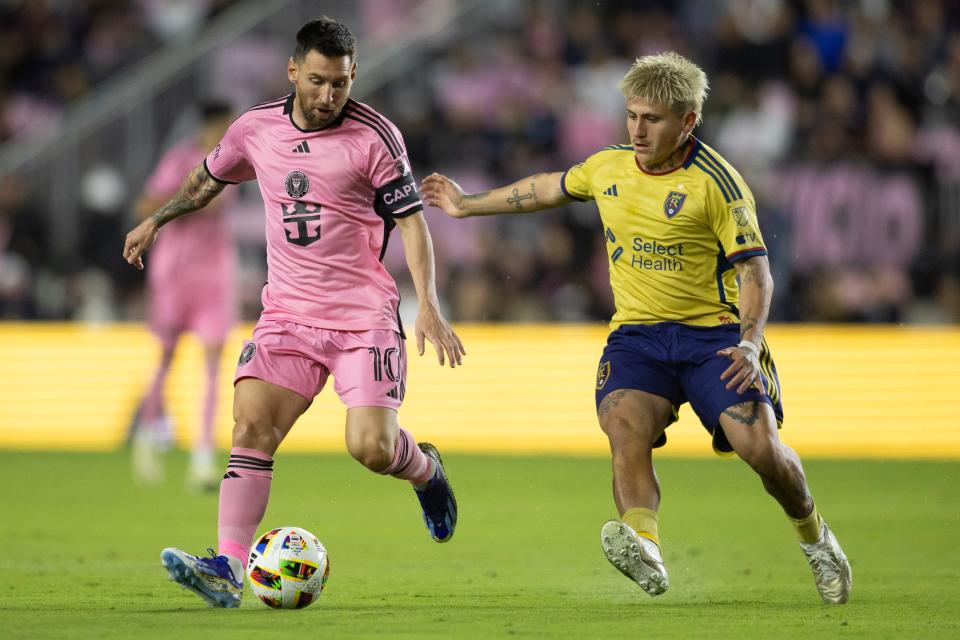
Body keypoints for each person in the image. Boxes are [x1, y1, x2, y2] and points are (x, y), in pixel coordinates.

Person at [421, 52, 852, 604]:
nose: (638, 129)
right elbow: (549, 187)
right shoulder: (609, 167)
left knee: (760, 450)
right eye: (631, 116)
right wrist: (465, 205)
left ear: (687, 122)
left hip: (713, 336)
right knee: (624, 427)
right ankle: (645, 545)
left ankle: (816, 540)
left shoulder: (718, 184)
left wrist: (749, 343)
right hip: (639, 336)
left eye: (652, 119)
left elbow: (756, 271)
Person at [124, 17, 465, 608]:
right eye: (316, 81)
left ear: (353, 74)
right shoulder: (255, 128)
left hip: (362, 317)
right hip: (287, 314)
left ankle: (426, 473)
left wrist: (428, 305)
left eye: (340, 83)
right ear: (293, 71)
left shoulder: (375, 137)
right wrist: (159, 217)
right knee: (251, 427)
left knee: (372, 449)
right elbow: (208, 181)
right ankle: (227, 567)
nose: (329, 96)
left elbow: (411, 220)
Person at [130, 101, 236, 491]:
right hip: (175, 271)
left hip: (215, 273)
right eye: (225, 123)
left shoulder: (232, 159)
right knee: (167, 356)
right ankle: (146, 436)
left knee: (213, 360)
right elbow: (144, 204)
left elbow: (216, 202)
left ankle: (203, 458)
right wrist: (180, 198)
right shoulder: (181, 159)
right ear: (212, 123)